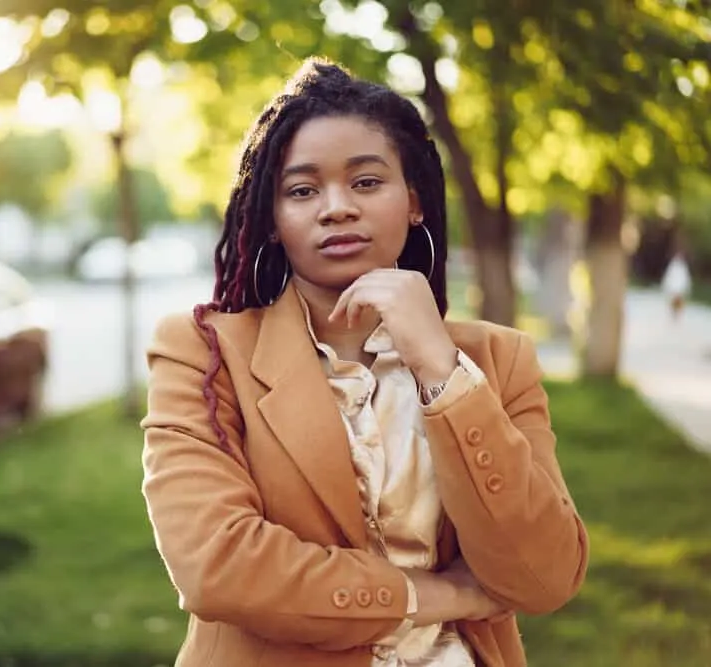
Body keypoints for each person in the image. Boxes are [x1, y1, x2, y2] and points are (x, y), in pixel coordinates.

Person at [140, 58, 588, 667]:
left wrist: (441, 372)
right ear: (272, 221)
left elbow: (545, 576)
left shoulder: (498, 359)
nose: (336, 208)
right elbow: (217, 567)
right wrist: (440, 593)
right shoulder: (204, 353)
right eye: (301, 191)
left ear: (415, 202)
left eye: (367, 182)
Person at [661, 248, 692, 322]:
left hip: (680, 287)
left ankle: (677, 314)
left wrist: (686, 287)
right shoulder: (673, 265)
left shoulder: (683, 266)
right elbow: (669, 275)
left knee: (679, 302)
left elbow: (685, 278)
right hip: (674, 286)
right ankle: (673, 313)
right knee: (673, 301)